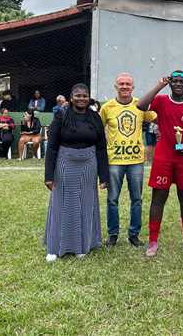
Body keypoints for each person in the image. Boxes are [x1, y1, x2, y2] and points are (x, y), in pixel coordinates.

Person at [137, 70, 183, 257]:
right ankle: (153, 241)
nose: (178, 84)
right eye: (175, 81)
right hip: (163, 159)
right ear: (170, 83)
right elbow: (141, 105)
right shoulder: (161, 101)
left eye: (182, 82)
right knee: (159, 198)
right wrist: (160, 85)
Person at [44, 83, 109, 262]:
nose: (82, 98)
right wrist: (48, 175)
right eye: (78, 95)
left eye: (85, 95)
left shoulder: (95, 117)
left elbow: (102, 147)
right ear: (71, 98)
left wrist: (104, 176)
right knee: (62, 204)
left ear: (89, 98)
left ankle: (82, 245)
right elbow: (52, 146)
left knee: (85, 204)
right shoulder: (61, 115)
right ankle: (55, 247)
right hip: (65, 163)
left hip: (89, 164)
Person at [99, 73, 156, 248]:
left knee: (137, 199)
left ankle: (134, 235)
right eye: (121, 84)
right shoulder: (107, 108)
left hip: (136, 161)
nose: (124, 86)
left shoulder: (141, 105)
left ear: (133, 87)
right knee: (112, 199)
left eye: (128, 84)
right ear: (115, 87)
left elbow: (158, 118)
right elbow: (97, 131)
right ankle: (113, 235)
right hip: (114, 161)